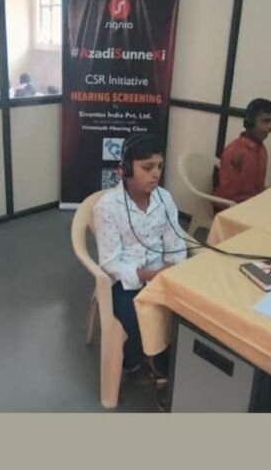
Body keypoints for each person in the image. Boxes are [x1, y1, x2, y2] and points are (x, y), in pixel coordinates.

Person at [93, 133, 187, 386]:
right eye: (147, 167)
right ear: (125, 170)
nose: (156, 174)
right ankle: (137, 362)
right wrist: (146, 276)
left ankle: (162, 358)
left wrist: (171, 267)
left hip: (162, 273)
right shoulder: (107, 208)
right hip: (125, 282)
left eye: (159, 166)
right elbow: (109, 261)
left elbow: (176, 243)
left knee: (186, 309)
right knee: (136, 315)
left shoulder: (164, 199)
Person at [214, 98, 271, 206]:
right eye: (265, 121)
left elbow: (257, 186)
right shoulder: (235, 152)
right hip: (231, 207)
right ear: (250, 123)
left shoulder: (261, 148)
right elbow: (230, 194)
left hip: (251, 203)